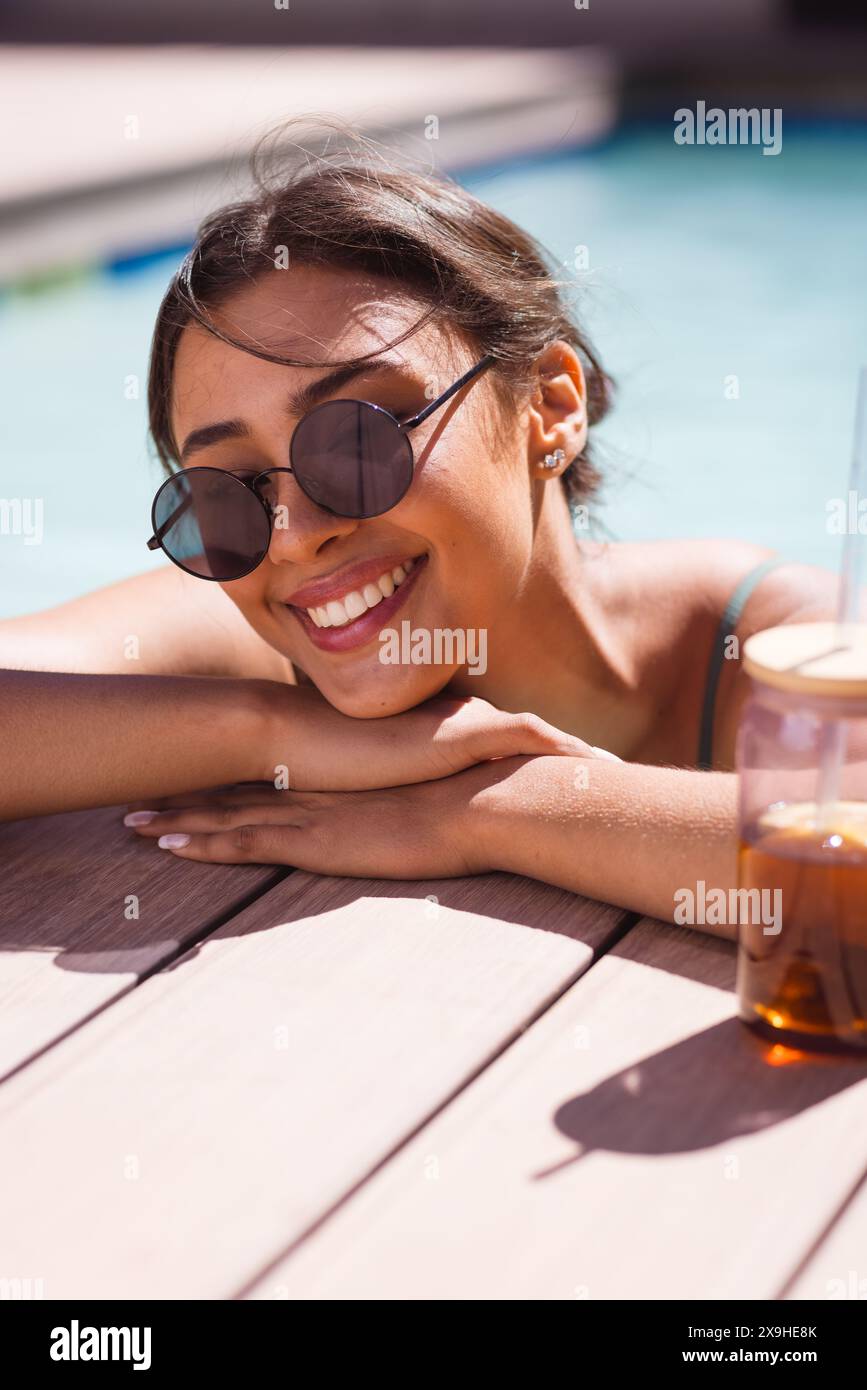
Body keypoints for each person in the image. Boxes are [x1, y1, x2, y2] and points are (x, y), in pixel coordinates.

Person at [0, 133, 836, 934]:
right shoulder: (258, 627)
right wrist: (269, 730)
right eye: (231, 492)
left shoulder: (768, 638)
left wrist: (493, 810)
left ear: (549, 406)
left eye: (357, 438)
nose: (293, 538)